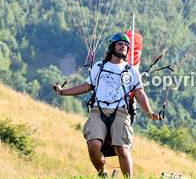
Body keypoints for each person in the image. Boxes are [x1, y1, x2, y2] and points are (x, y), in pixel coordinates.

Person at [54, 33, 162, 178]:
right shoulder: (99, 66)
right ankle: (103, 174)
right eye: (120, 44)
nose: (123, 47)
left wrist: (149, 112)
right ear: (112, 47)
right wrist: (62, 92)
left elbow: (139, 93)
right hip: (98, 110)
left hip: (120, 111)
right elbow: (87, 86)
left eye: (126, 45)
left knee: (122, 149)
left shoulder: (131, 70)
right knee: (93, 145)